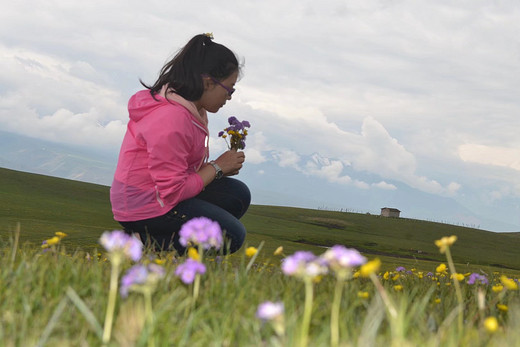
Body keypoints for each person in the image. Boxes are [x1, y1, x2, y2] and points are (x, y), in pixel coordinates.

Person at [110, 33, 250, 254]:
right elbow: (173, 192)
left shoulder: (192, 109)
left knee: (237, 195)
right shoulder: (172, 118)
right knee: (231, 236)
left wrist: (216, 169)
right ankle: (140, 241)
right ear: (208, 83)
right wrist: (216, 168)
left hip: (154, 193)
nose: (230, 97)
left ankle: (170, 243)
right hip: (144, 206)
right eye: (229, 89)